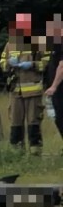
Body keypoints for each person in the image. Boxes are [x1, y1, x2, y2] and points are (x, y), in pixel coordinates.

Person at [0, 13, 49, 155]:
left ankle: (35, 153)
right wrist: (8, 63)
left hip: (33, 89)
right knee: (15, 122)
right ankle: (17, 153)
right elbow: (2, 63)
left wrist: (32, 64)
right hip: (15, 90)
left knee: (33, 122)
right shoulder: (10, 44)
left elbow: (46, 64)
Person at [43, 15, 63, 149]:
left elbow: (62, 66)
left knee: (61, 119)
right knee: (59, 118)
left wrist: (54, 86)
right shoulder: (55, 46)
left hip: (61, 90)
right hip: (58, 91)